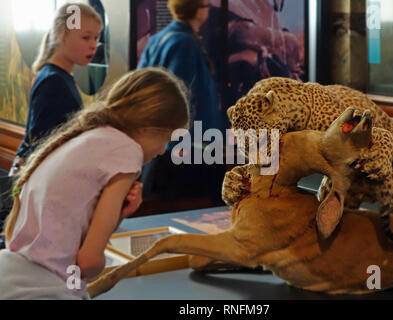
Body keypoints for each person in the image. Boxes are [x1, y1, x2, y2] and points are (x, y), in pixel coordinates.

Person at [0, 67, 190, 299]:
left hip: (11, 273)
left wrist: (120, 213)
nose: (162, 151)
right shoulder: (127, 152)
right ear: (147, 128)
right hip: (43, 289)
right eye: (166, 140)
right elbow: (88, 263)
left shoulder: (91, 135)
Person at [137, 0, 225, 205]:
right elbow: (182, 97)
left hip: (168, 146)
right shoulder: (184, 44)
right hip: (189, 150)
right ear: (197, 10)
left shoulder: (159, 39)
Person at [9, 3, 103, 176]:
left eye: (96, 38)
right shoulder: (54, 82)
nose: (93, 45)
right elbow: (42, 144)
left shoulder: (58, 76)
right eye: (86, 37)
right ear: (61, 36)